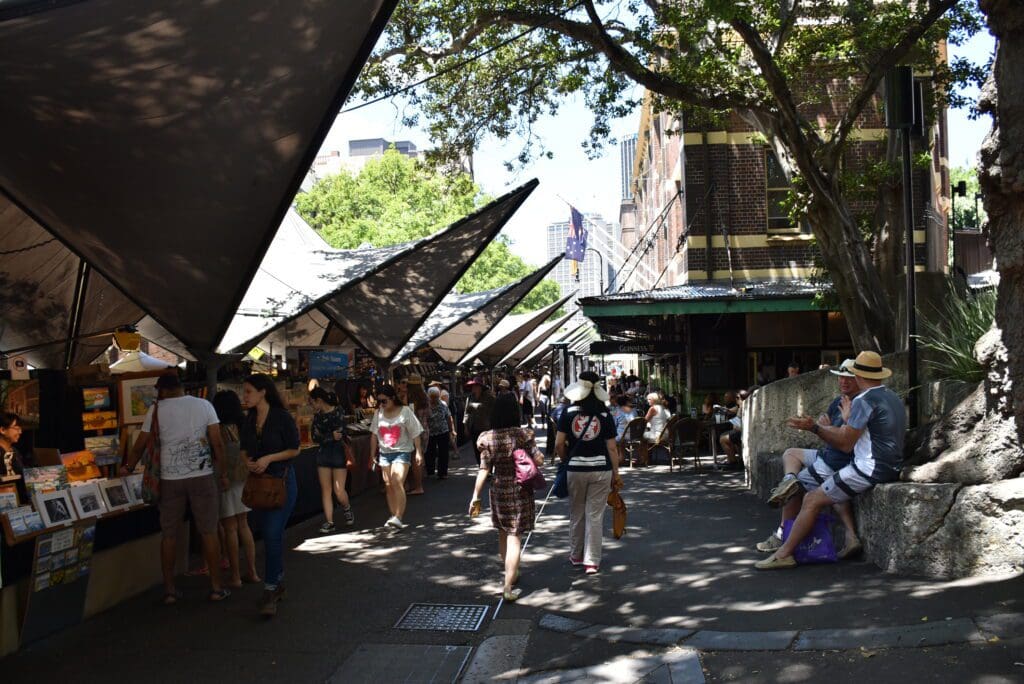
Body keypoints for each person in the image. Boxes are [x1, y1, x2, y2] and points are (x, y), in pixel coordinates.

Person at [756, 351, 906, 570]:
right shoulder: (891, 396)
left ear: (858, 374)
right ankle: (790, 546)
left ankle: (784, 553)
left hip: (870, 468)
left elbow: (845, 443)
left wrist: (815, 428)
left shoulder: (864, 400)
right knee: (822, 490)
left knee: (811, 499)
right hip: (889, 465)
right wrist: (844, 422)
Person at [123, 374, 228, 605]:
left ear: (162, 390)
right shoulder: (204, 405)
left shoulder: (156, 410)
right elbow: (217, 443)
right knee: (209, 531)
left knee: (169, 535)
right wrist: (222, 473)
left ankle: (170, 590)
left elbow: (140, 444)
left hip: (169, 479)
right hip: (202, 477)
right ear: (181, 387)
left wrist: (128, 467)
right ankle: (216, 587)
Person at [756, 360, 861, 556]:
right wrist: (824, 427)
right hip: (830, 453)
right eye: (841, 377)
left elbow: (846, 439)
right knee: (791, 454)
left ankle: (782, 536)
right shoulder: (839, 401)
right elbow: (829, 431)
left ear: (860, 379)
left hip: (839, 459)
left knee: (796, 490)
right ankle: (788, 481)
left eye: (849, 377)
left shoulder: (859, 403)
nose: (844, 381)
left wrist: (820, 428)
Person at [470, 393, 544, 601]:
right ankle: (507, 586)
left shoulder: (487, 438)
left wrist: (475, 496)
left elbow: (484, 469)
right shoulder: (523, 435)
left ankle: (511, 573)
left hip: (498, 488)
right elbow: (538, 460)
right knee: (515, 536)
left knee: (503, 533)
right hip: (520, 489)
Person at [239, 374, 300, 615]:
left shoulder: (281, 417)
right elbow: (244, 449)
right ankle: (278, 581)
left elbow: (294, 449)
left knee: (272, 533)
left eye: (248, 391)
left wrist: (268, 458)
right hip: (259, 485)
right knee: (270, 534)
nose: (245, 396)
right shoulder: (250, 419)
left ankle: (270, 587)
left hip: (282, 482)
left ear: (263, 391)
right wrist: (249, 462)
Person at [555, 371, 622, 575]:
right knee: (595, 515)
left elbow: (558, 443)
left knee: (576, 512)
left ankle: (576, 555)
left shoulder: (568, 412)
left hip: (575, 469)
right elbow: (612, 448)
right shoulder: (605, 415)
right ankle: (591, 561)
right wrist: (616, 474)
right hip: (601, 470)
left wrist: (566, 459)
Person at [211, 390, 260, 588]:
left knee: (230, 528)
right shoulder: (244, 425)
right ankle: (253, 572)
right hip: (243, 478)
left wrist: (222, 474)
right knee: (244, 525)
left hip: (225, 480)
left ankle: (236, 576)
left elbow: (217, 453)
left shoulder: (217, 429)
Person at [370, 384, 424, 530]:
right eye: (379, 401)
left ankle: (399, 516)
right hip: (384, 454)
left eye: (383, 401)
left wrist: (418, 451)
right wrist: (371, 455)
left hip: (402, 451)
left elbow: (416, 432)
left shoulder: (405, 411)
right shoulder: (378, 413)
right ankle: (394, 516)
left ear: (392, 398)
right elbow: (374, 435)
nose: (381, 404)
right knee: (388, 485)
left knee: (396, 481)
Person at [310, 387, 353, 534]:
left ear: (319, 401)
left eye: (312, 403)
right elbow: (314, 437)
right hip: (324, 454)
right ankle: (330, 521)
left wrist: (326, 436)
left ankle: (346, 507)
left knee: (339, 491)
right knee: (326, 490)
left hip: (338, 453)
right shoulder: (317, 416)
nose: (312, 406)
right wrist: (329, 436)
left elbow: (340, 433)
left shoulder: (338, 411)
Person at [425, 386, 456, 479]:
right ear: (429, 396)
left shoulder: (443, 404)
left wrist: (451, 429)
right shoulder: (426, 405)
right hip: (430, 432)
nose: (434, 399)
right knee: (430, 452)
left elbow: (448, 417)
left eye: (436, 396)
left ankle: (442, 472)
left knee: (443, 452)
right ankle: (430, 471)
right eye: (432, 396)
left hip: (443, 431)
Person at [405, 375, 429, 495]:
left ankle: (418, 486)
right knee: (419, 457)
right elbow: (428, 415)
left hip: (415, 432)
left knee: (414, 459)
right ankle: (416, 485)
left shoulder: (412, 399)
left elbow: (410, 416)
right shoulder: (425, 397)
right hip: (424, 430)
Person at [463, 380, 495, 464]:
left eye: (476, 386)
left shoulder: (489, 397)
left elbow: (493, 410)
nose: (473, 388)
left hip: (485, 427)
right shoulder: (470, 397)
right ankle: (480, 466)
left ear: (480, 387)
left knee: (487, 448)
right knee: (476, 448)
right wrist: (466, 426)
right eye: (473, 387)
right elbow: (466, 413)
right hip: (473, 426)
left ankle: (489, 468)